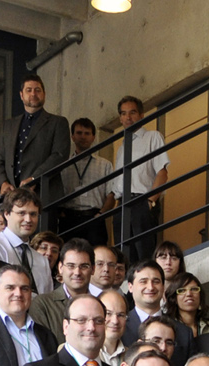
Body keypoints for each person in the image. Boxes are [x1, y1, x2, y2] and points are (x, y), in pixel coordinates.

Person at [102, 95, 169, 263]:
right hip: (122, 204)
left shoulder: (153, 137)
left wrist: (150, 202)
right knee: (123, 257)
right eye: (123, 114)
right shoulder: (122, 146)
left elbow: (162, 173)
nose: (128, 117)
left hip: (142, 201)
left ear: (141, 115)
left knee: (144, 254)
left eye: (132, 112)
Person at [0, 75, 71, 206]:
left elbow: (60, 155)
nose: (33, 94)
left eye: (37, 90)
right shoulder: (8, 125)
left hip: (44, 197)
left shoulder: (58, 122)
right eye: (29, 90)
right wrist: (3, 183)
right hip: (12, 198)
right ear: (21, 95)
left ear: (44, 94)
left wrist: (35, 179)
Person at [123, 261, 193, 366]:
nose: (150, 287)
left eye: (156, 281)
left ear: (163, 286)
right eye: (143, 282)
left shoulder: (184, 332)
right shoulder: (120, 328)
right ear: (130, 287)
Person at [30, 238, 94, 346]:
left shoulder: (101, 304)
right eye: (71, 266)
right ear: (60, 267)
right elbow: (42, 348)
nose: (77, 272)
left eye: (84, 266)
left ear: (93, 269)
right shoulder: (42, 304)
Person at [60, 117, 112, 245]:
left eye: (87, 133)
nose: (83, 137)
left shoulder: (104, 165)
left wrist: (101, 214)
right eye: (79, 133)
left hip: (94, 218)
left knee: (96, 257)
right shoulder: (63, 166)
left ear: (93, 137)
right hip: (69, 219)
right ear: (72, 136)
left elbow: (111, 194)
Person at [0, 188, 52, 293]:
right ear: (6, 214)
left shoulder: (42, 261)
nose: (28, 220)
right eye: (21, 213)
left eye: (33, 214)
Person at [168, 272, 209, 336]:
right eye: (182, 290)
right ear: (174, 298)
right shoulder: (167, 326)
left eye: (194, 289)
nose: (189, 294)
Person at [98, 287, 129, 366]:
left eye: (120, 315)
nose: (115, 321)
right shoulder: (83, 352)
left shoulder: (132, 356)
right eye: (108, 313)